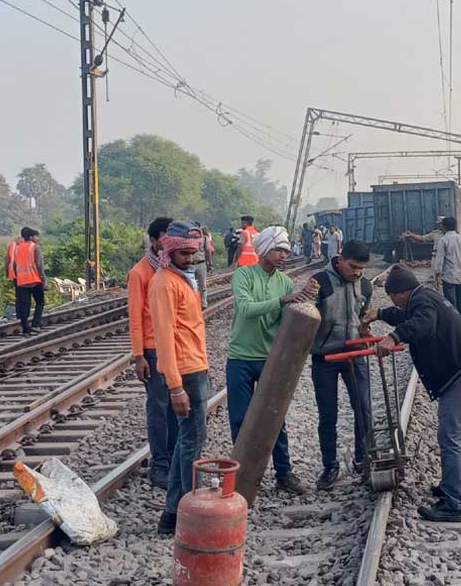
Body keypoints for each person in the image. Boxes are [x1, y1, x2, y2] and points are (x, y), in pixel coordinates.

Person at [366, 265, 461, 523]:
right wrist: (380, 314)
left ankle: (454, 505)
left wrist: (394, 337)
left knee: (450, 437)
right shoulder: (425, 297)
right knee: (458, 438)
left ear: (401, 292)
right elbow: (407, 315)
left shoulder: (422, 302)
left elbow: (422, 323)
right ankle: (452, 487)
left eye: (392, 298)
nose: (393, 303)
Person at [227, 226, 318, 495]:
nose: (283, 256)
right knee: (240, 419)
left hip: (271, 359)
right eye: (279, 250)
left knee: (276, 419)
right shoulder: (244, 275)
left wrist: (304, 300)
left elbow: (286, 320)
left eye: (286, 251)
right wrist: (283, 300)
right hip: (241, 357)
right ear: (264, 249)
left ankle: (284, 473)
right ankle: (240, 477)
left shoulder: (285, 282)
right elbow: (245, 309)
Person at [150, 221, 209, 536]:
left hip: (195, 366)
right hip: (184, 373)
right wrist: (175, 387)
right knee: (192, 442)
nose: (190, 258)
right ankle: (192, 514)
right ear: (170, 250)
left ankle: (172, 515)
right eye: (184, 253)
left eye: (193, 253)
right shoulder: (164, 284)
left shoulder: (183, 278)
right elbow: (163, 338)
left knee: (188, 440)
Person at [309, 239, 375, 490]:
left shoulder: (366, 286)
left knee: (363, 407)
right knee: (328, 414)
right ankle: (330, 465)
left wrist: (366, 331)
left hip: (356, 355)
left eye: (361, 268)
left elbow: (363, 317)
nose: (357, 273)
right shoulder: (320, 282)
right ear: (340, 259)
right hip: (325, 358)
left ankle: (363, 459)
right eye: (353, 267)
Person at [129, 217, 177, 490]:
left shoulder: (171, 269)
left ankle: (172, 460)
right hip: (152, 349)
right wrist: (139, 356)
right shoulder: (140, 273)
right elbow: (135, 318)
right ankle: (160, 465)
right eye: (169, 238)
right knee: (159, 408)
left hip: (171, 347)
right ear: (157, 239)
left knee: (174, 406)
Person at [432, 216, 461, 321]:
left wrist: (436, 277)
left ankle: (453, 325)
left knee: (450, 303)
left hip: (449, 276)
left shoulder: (443, 240)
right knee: (460, 302)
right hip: (460, 276)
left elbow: (439, 261)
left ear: (444, 227)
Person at [9, 227, 47, 335]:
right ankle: (35, 324)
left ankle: (25, 329)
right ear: (31, 237)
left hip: (21, 281)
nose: (37, 238)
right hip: (35, 280)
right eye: (36, 236)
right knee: (40, 302)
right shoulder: (35, 247)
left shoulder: (17, 248)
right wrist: (44, 279)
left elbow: (14, 264)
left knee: (25, 306)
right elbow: (40, 265)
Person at [192, 223, 214, 308]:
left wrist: (210, 263)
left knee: (202, 285)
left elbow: (208, 252)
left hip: (201, 263)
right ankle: (195, 303)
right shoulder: (188, 239)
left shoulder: (204, 239)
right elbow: (208, 252)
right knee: (193, 285)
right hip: (192, 264)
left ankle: (203, 304)